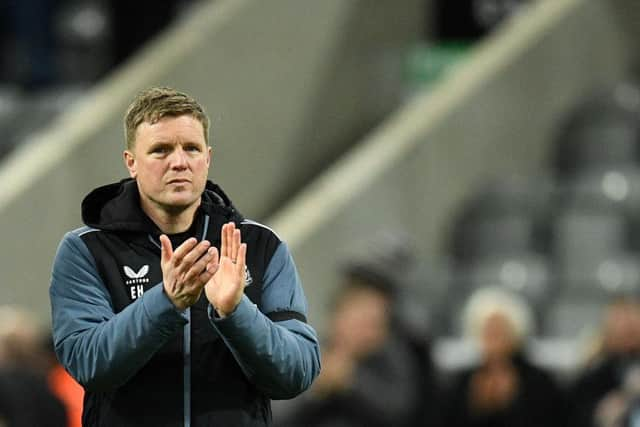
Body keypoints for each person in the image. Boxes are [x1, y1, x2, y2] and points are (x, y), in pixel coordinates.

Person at [49, 87, 321, 426]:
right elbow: (88, 363)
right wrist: (167, 301)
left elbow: (297, 373)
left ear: (207, 158)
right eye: (161, 150)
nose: (179, 162)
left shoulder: (260, 245)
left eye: (190, 148)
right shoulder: (87, 249)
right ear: (131, 163)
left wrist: (236, 312)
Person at [442, 287, 567, 427]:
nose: (494, 337)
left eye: (500, 330)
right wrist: (478, 406)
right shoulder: (464, 382)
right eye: (488, 330)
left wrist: (514, 401)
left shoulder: (539, 382)